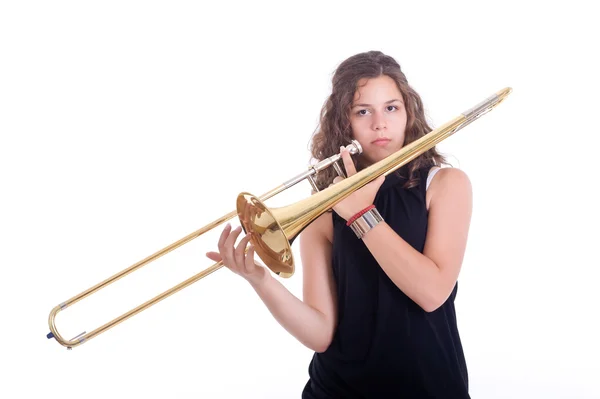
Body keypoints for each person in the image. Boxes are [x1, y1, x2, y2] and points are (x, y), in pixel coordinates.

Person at [206, 50, 473, 398]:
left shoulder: (445, 184)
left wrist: (363, 216)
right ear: (344, 123)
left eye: (391, 108)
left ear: (409, 113)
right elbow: (320, 334)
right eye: (363, 111)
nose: (380, 123)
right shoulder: (323, 206)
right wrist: (259, 279)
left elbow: (432, 293)